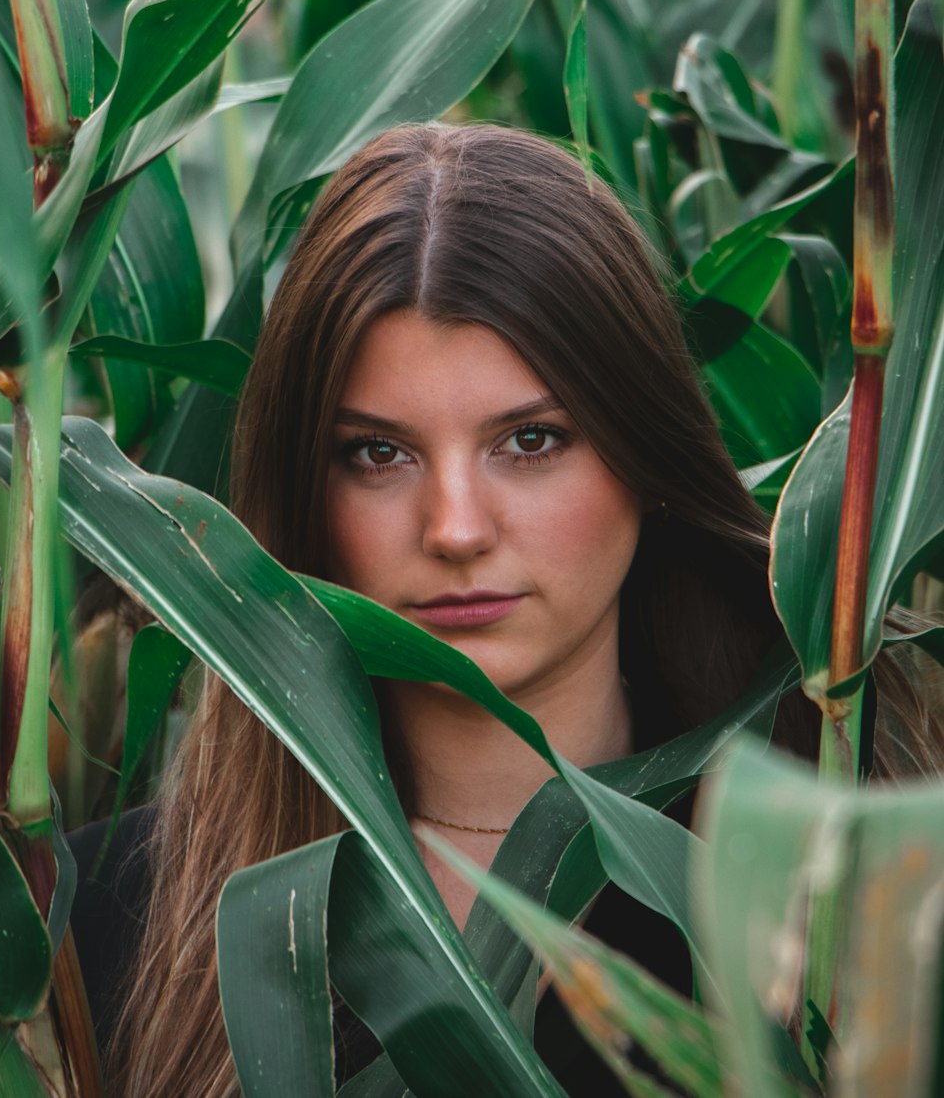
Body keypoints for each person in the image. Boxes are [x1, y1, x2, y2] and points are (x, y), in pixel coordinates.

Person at [70, 121, 940, 1098]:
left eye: (529, 440)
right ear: (302, 498)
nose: (454, 528)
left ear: (643, 457)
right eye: (376, 453)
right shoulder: (104, 926)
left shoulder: (850, 908)